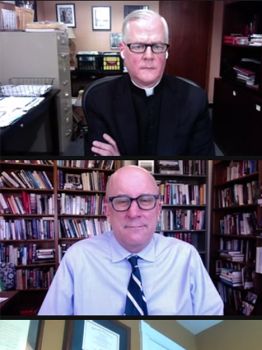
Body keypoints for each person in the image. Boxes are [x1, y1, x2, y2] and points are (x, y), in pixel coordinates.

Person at [39, 165, 223, 315]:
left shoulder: (186, 256)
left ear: (158, 209)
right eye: (121, 201)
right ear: (107, 210)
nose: (134, 213)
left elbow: (212, 324)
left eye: (145, 200)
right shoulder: (77, 258)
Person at [84, 9, 214, 156]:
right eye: (138, 46)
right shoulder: (99, 99)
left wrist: (120, 159)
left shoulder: (195, 100)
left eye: (157, 46)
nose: (148, 56)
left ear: (166, 52)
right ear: (122, 50)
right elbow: (98, 154)